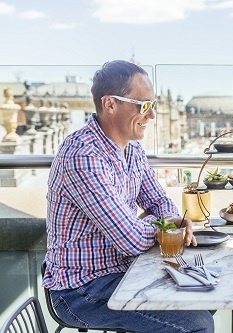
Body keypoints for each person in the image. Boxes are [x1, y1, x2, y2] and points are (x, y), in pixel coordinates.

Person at [42, 60, 214, 333]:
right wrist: (166, 225)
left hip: (123, 270)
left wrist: (168, 219)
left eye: (153, 104)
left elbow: (159, 201)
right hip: (82, 290)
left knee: (206, 293)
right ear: (109, 104)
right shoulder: (83, 155)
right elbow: (131, 239)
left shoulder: (132, 148)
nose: (152, 115)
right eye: (143, 105)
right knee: (197, 324)